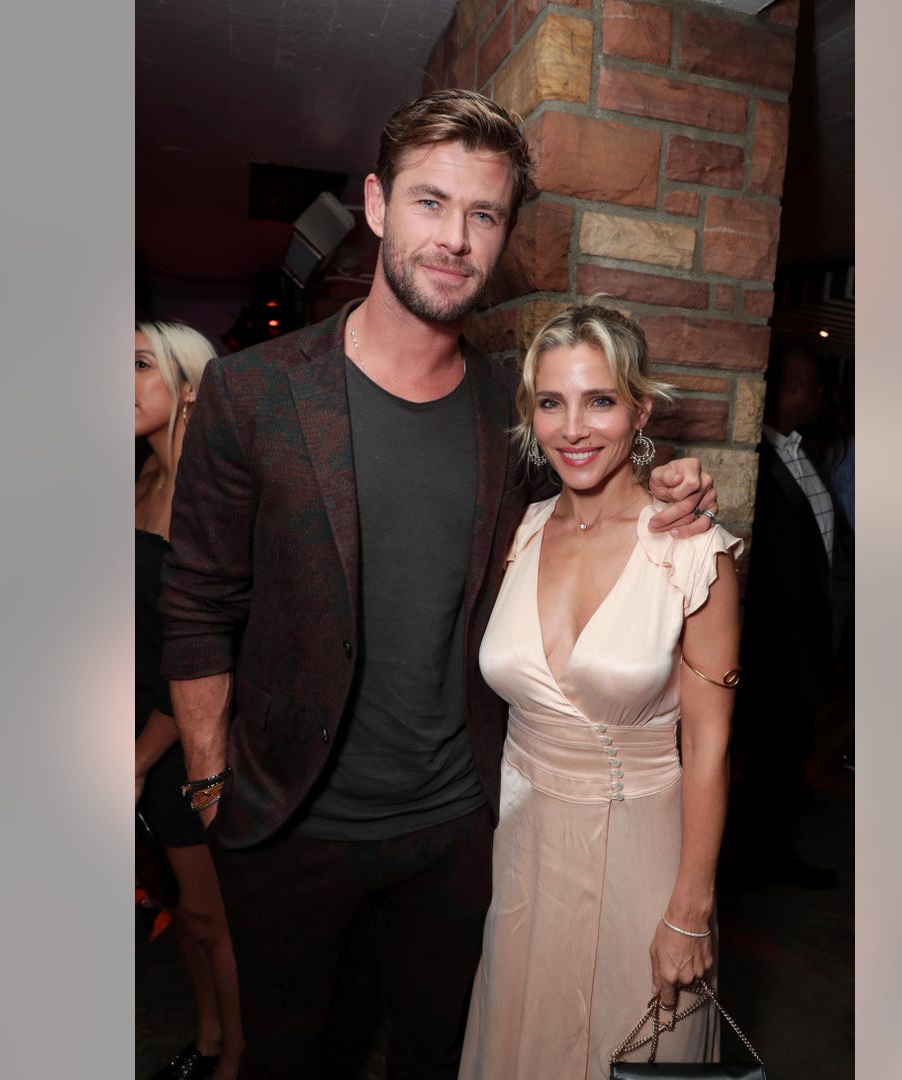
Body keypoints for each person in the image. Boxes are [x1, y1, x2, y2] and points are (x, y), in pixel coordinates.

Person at [158, 89, 720, 1080]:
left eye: (484, 214)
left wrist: (671, 477)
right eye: (430, 202)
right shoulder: (257, 393)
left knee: (438, 1055)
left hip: (459, 829)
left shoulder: (512, 421)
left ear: (505, 233)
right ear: (377, 205)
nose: (454, 238)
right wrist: (211, 779)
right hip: (290, 825)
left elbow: (598, 494)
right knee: (288, 1059)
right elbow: (198, 600)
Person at [458, 304, 742, 1077]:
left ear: (639, 410)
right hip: (524, 856)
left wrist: (690, 910)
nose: (573, 428)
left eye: (600, 400)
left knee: (630, 1046)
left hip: (646, 860)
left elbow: (709, 745)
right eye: (551, 402)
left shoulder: (694, 553)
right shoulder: (516, 532)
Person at [135, 320, 244, 1080]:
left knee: (213, 918)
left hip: (181, 742)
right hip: (135, 730)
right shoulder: (137, 479)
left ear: (188, 386)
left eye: (138, 365)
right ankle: (205, 1040)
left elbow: (207, 655)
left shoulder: (210, 506)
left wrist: (136, 757)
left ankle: (234, 1055)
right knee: (179, 910)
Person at [727, 340, 855, 887]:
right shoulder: (757, 461)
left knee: (788, 761)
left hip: (810, 641)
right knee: (765, 763)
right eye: (810, 381)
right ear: (783, 387)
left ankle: (772, 857)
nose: (821, 392)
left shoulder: (804, 453)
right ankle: (750, 868)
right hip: (774, 648)